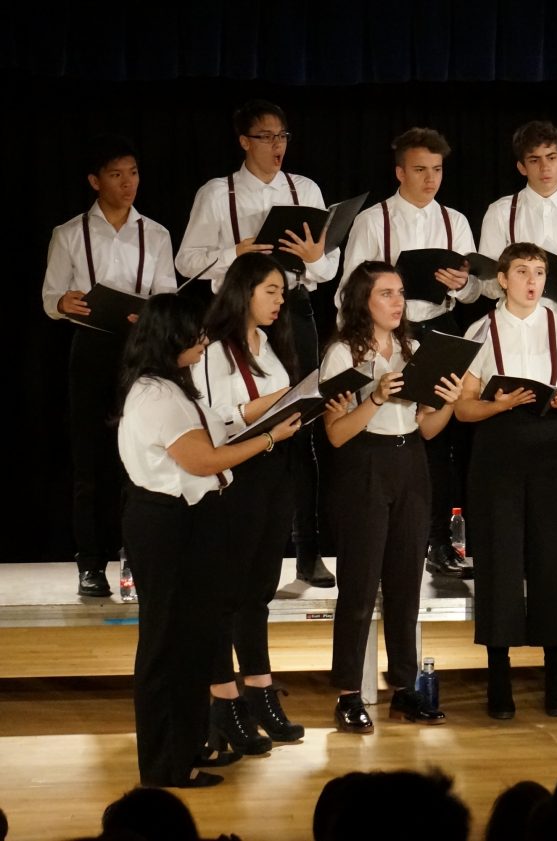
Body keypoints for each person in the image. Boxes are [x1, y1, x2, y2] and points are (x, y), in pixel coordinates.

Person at [117, 293, 301, 787]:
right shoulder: (156, 394)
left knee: (193, 642)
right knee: (166, 647)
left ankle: (191, 746)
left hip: (185, 524)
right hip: (165, 524)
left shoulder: (174, 387)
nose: (204, 339)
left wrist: (280, 405)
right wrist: (267, 441)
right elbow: (201, 460)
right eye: (195, 332)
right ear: (171, 335)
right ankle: (166, 766)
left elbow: (221, 422)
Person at [176, 99, 338, 587]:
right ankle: (230, 529)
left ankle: (307, 551)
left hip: (295, 308)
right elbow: (187, 262)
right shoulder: (215, 193)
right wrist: (236, 252)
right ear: (244, 141)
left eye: (283, 136)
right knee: (234, 413)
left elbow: (328, 268)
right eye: (266, 137)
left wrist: (314, 257)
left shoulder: (304, 188)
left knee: (303, 418)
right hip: (236, 310)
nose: (277, 146)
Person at [320, 261, 463, 732]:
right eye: (386, 293)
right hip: (364, 463)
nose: (398, 301)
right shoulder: (343, 353)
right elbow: (337, 435)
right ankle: (348, 693)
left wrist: (447, 402)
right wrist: (376, 398)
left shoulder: (415, 348)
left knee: (405, 584)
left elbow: (427, 426)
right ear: (363, 300)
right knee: (359, 587)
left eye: (401, 292)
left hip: (410, 462)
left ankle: (404, 688)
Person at [339, 127, 484, 579]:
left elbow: (476, 284)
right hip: (389, 330)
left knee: (441, 436)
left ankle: (439, 540)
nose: (430, 179)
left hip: (438, 324)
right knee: (387, 431)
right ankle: (385, 539)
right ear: (400, 171)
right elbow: (347, 287)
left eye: (437, 170)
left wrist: (462, 286)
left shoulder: (454, 220)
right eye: (420, 170)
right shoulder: (373, 219)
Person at [455, 243, 557, 719]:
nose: (532, 281)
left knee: (553, 557)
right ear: (503, 279)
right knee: (501, 558)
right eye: (522, 272)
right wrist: (499, 405)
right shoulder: (481, 330)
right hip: (499, 446)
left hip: (552, 444)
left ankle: (556, 679)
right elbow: (463, 407)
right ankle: (499, 680)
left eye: (539, 272)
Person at [42, 135, 176, 597]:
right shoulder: (70, 232)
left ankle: (134, 557)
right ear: (95, 181)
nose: (128, 183)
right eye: (116, 175)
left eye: (133, 173)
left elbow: (167, 294)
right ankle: (90, 562)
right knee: (90, 461)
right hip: (92, 347)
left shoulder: (155, 233)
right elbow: (50, 296)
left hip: (138, 351)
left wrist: (151, 314)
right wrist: (63, 302)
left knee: (138, 455)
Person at [192, 253, 305, 749]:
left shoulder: (269, 344)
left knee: (259, 586)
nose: (281, 301)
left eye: (282, 292)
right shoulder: (216, 350)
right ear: (244, 292)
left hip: (274, 468)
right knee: (225, 590)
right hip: (237, 471)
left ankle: (260, 690)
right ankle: (223, 700)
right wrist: (271, 404)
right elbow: (212, 418)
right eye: (271, 291)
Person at [478, 121, 557, 324]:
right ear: (522, 167)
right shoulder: (500, 212)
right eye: (534, 160)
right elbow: (485, 282)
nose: (545, 167)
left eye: (551, 157)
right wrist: (513, 283)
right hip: (514, 323)